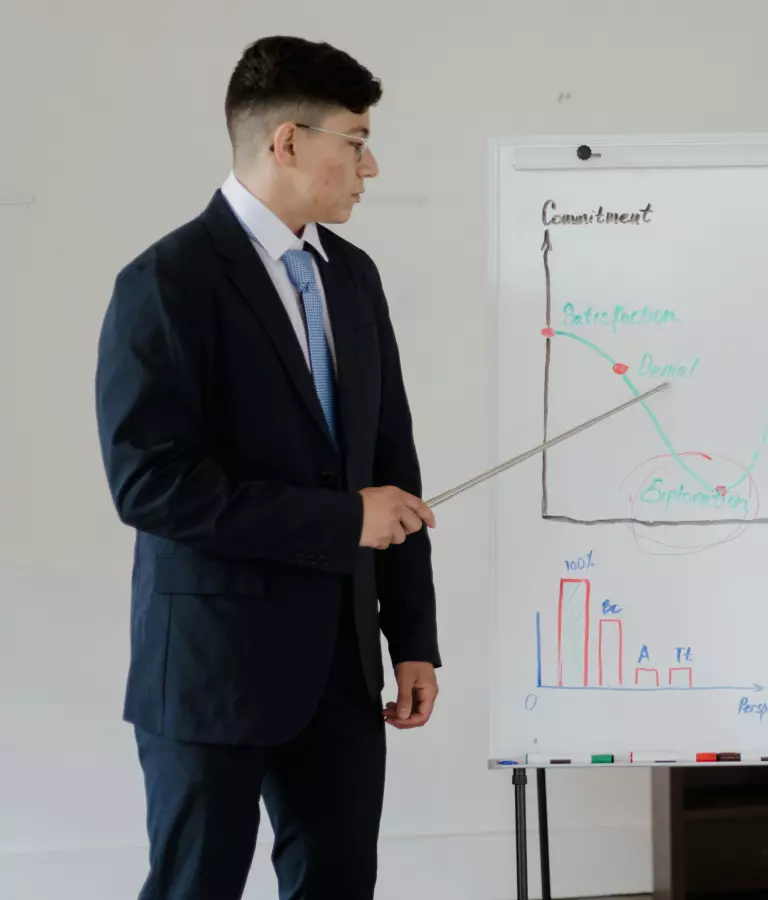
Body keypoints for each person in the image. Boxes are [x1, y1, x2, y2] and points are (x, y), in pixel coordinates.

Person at [94, 35, 440, 900]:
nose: (370, 165)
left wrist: (414, 640)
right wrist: (340, 521)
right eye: (354, 141)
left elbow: (391, 465)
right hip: (213, 670)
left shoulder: (353, 280)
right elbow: (150, 484)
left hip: (343, 668)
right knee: (195, 887)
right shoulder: (167, 281)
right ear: (288, 140)